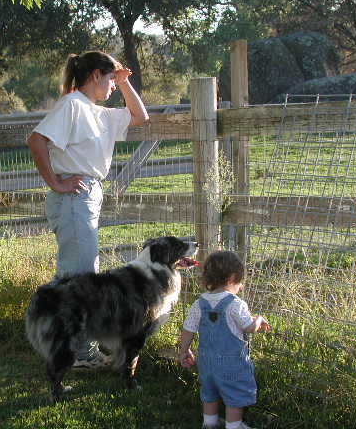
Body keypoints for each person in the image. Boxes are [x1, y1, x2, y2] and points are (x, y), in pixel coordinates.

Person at [27, 50, 148, 368]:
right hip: (73, 198)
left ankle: (67, 343)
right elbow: (36, 140)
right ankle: (78, 353)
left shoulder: (98, 113)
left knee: (80, 276)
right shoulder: (71, 105)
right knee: (79, 278)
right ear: (95, 75)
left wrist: (123, 83)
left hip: (88, 196)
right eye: (109, 79)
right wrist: (56, 183)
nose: (112, 86)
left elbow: (140, 117)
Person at [178, 251, 271, 429]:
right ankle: (234, 426)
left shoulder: (199, 303)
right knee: (234, 395)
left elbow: (188, 329)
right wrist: (258, 319)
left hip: (206, 362)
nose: (241, 286)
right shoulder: (236, 304)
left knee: (209, 392)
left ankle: (209, 423)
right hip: (232, 364)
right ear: (233, 277)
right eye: (240, 281)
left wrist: (184, 351)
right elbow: (248, 327)